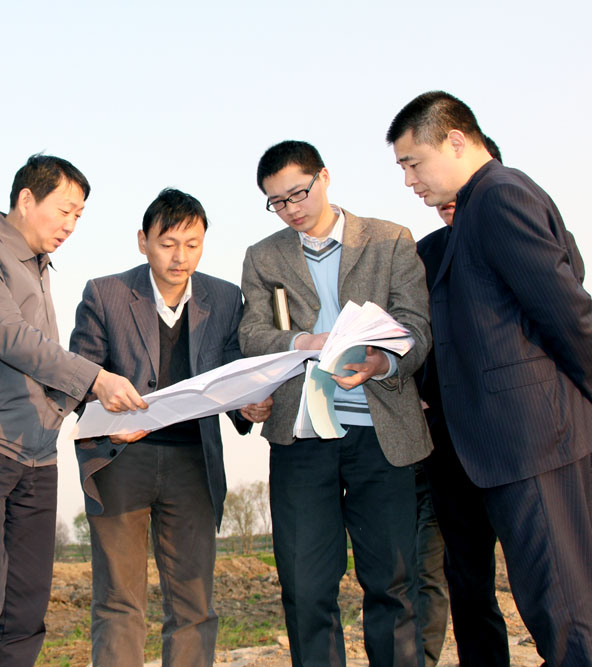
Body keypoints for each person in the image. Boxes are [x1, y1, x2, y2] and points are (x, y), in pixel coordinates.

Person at [388, 90, 592, 666]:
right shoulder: (474, 213)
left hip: (532, 442)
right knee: (554, 608)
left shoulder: (500, 196)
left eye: (413, 163)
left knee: (565, 612)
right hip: (507, 447)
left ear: (455, 141)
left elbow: (566, 313)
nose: (408, 180)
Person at [0, 154, 145, 665]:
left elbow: (44, 372)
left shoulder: (40, 266)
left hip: (36, 453)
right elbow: (9, 337)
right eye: (64, 210)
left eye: (79, 216)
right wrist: (97, 380)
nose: (70, 225)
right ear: (26, 199)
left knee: (23, 611)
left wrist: (105, 414)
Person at [239, 140, 432, 665]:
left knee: (392, 583)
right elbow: (252, 334)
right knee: (305, 588)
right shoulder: (263, 256)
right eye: (277, 202)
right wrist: (302, 341)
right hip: (301, 437)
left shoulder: (390, 240)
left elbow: (416, 327)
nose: (291, 209)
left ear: (324, 177)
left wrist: (381, 362)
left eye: (298, 193)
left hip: (382, 435)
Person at [69, 187, 272, 665]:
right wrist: (106, 420)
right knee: (119, 600)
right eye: (168, 243)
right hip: (121, 458)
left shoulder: (225, 298)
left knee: (193, 603)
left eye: (193, 244)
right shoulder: (106, 293)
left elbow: (233, 370)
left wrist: (247, 407)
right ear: (143, 241)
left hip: (193, 461)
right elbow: (79, 376)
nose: (181, 257)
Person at [414, 135, 510, 667]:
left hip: (514, 439)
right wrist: (415, 392)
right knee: (467, 581)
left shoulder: (518, 233)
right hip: (448, 446)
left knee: (543, 572)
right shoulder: (422, 254)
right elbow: (406, 336)